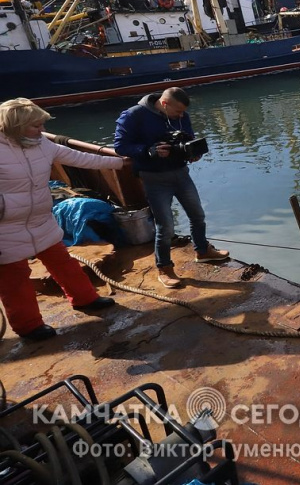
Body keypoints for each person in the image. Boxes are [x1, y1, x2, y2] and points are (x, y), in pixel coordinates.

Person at [0, 98, 125, 341]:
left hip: (40, 219)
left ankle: (85, 298)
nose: (42, 131)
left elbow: (82, 158)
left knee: (63, 263)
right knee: (14, 279)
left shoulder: (42, 145)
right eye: (36, 126)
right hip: (6, 227)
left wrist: (121, 162)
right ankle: (28, 326)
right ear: (16, 126)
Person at [114, 87, 228, 289]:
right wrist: (149, 151)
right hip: (154, 178)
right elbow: (121, 146)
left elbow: (188, 138)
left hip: (181, 173)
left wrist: (192, 152)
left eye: (183, 112)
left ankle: (202, 251)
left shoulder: (182, 115)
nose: (181, 116)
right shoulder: (133, 115)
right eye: (177, 112)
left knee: (197, 214)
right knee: (165, 226)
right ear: (164, 104)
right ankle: (164, 268)